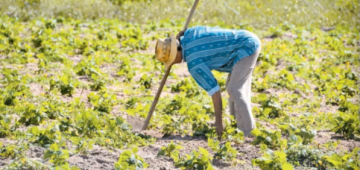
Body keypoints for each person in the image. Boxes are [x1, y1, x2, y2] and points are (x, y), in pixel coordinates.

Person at [155, 26, 261, 137]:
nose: (173, 63)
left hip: (246, 47)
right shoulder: (189, 34)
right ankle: (236, 127)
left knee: (235, 89)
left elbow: (215, 91)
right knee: (232, 86)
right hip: (246, 38)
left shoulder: (194, 62)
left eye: (171, 60)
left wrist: (218, 123)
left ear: (176, 54)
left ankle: (249, 132)